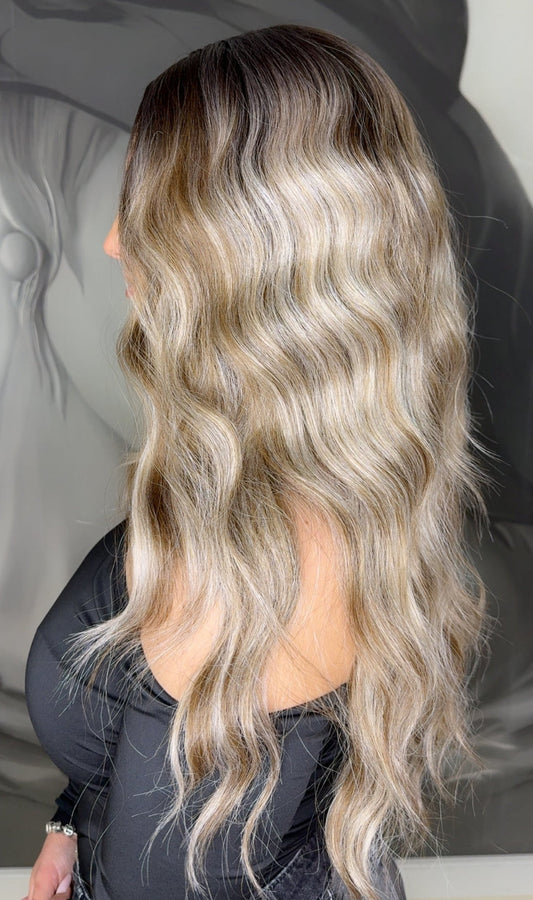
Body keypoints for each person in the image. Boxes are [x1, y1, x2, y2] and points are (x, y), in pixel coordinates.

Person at [23, 23, 490, 900]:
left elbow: (157, 881)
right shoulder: (264, 468)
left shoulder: (278, 574)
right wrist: (70, 825)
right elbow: (126, 738)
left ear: (244, 258)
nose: (115, 240)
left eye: (149, 206)